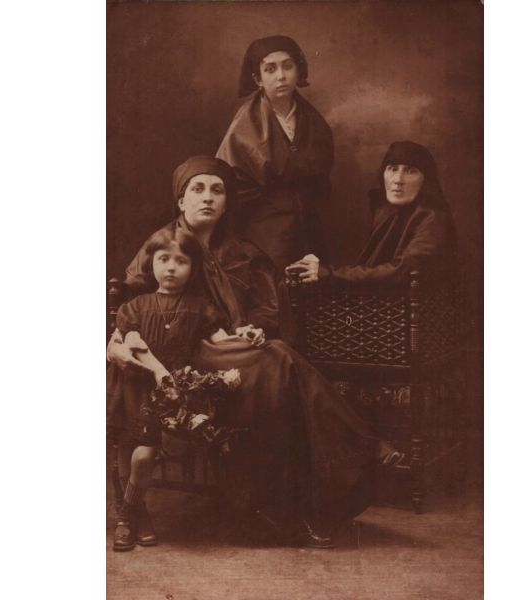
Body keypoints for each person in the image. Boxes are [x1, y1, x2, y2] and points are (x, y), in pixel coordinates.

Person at [108, 156, 401, 549]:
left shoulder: (240, 250)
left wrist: (253, 327)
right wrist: (113, 344)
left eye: (217, 190)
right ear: (180, 200)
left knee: (275, 366)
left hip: (230, 347)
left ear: (227, 203)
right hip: (183, 356)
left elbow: (266, 307)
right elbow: (129, 305)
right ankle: (360, 447)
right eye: (197, 189)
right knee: (277, 362)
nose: (207, 198)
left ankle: (294, 509)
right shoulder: (162, 245)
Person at [107, 228, 228, 551]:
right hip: (136, 385)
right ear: (152, 263)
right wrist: (158, 373)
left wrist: (245, 335)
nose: (171, 268)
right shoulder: (135, 306)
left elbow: (222, 341)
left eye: (181, 261)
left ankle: (128, 513)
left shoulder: (200, 308)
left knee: (145, 455)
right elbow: (134, 343)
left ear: (193, 267)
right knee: (137, 449)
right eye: (164, 259)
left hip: (176, 392)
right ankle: (132, 518)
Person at [216, 35, 333, 273]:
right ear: (257, 79)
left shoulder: (314, 121)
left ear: (298, 70)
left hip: (308, 224)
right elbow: (229, 184)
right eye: (270, 69)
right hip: (262, 228)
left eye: (288, 66)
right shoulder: (244, 126)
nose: (281, 76)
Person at [285, 141, 457, 288]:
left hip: (416, 310)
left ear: (425, 180)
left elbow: (402, 271)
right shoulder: (388, 214)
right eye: (392, 169)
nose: (398, 180)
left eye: (410, 171)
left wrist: (328, 274)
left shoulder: (433, 218)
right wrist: (314, 270)